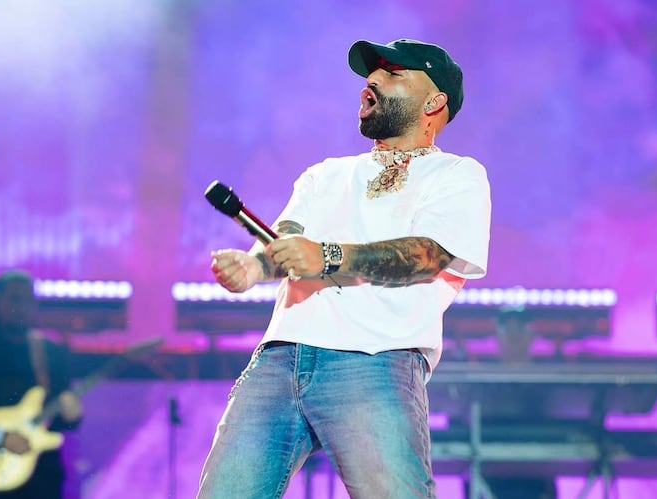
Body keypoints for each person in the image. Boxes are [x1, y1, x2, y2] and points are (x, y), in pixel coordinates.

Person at [199, 38, 491, 498]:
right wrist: (254, 267)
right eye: (372, 73)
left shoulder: (457, 175)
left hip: (376, 360)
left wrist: (329, 255)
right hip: (280, 358)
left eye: (393, 73)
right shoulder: (325, 174)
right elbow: (285, 241)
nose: (372, 81)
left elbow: (428, 255)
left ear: (435, 102)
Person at [0, 270, 83, 499]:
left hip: (42, 475)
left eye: (28, 300)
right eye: (14, 299)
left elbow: (61, 417)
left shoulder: (51, 352)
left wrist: (72, 415)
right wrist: (0, 436)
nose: (21, 307)